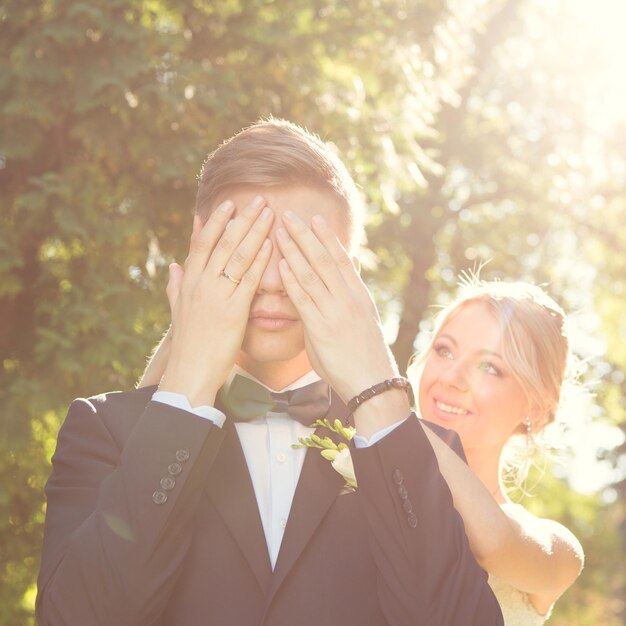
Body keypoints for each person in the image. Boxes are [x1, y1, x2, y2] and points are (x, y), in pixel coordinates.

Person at [36, 119, 504, 625]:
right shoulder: (103, 429)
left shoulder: (419, 453)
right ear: (199, 258)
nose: (276, 282)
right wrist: (189, 380)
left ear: (350, 275)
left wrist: (378, 396)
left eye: (303, 254)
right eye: (250, 249)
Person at [407, 278, 585, 625]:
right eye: (444, 350)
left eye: (490, 367)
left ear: (534, 407)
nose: (452, 378)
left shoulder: (557, 552)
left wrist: (394, 426)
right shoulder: (354, 485)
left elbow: (492, 544)